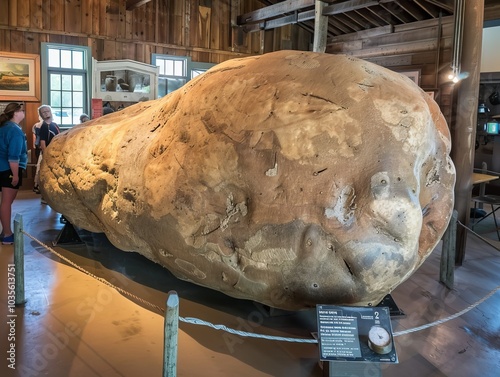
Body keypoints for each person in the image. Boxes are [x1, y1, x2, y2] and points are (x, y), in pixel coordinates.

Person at [0, 103, 28, 245]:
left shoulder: (3, 127)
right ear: (15, 113)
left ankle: (4, 230)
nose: (23, 113)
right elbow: (13, 156)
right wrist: (15, 175)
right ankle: (7, 234)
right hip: (9, 170)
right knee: (7, 202)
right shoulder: (15, 130)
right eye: (22, 111)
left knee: (5, 202)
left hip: (2, 168)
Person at [37, 105, 60, 204]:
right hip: (48, 154)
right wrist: (46, 155)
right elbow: (42, 143)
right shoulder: (44, 126)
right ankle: (45, 196)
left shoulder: (54, 124)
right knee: (47, 176)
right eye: (44, 112)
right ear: (41, 115)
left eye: (48, 111)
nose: (46, 113)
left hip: (55, 153)